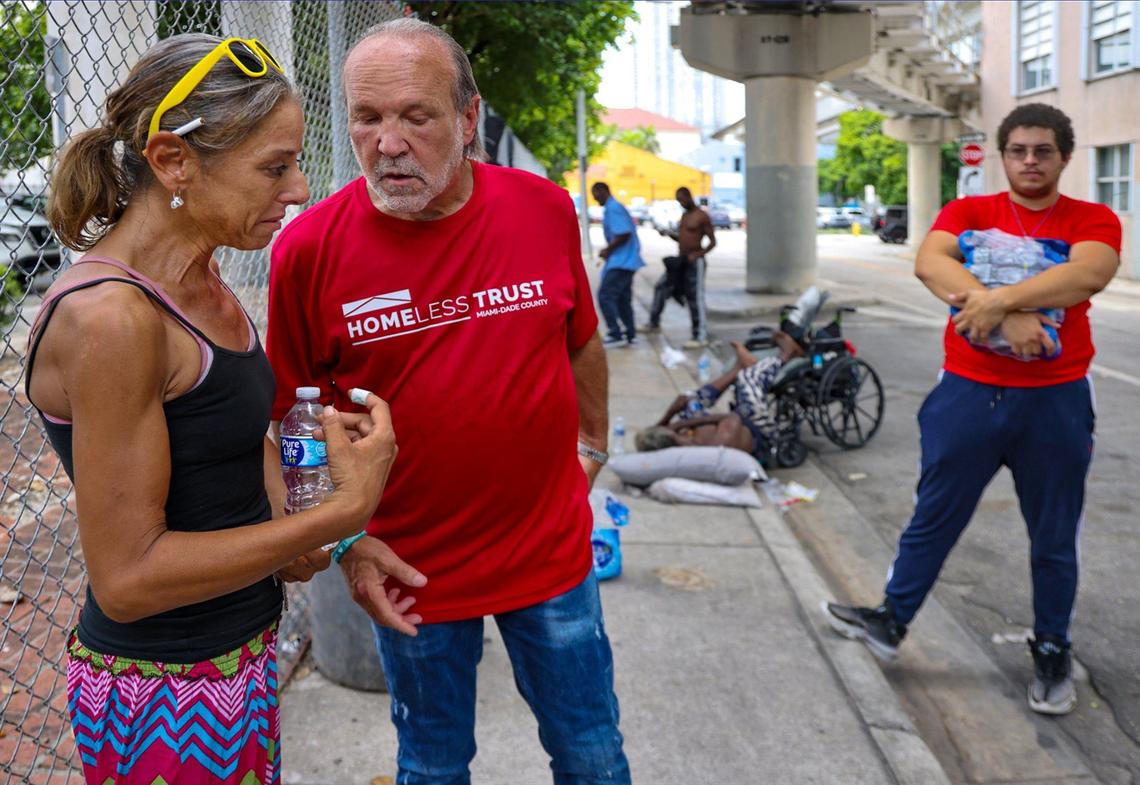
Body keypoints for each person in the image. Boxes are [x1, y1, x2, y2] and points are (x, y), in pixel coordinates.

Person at [265, 19, 630, 784]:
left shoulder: (542, 209)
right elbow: (290, 419)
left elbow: (582, 339)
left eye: (415, 116)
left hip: (551, 556)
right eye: (367, 117)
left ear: (468, 120)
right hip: (412, 569)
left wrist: (592, 446)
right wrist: (343, 544)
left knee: (592, 752)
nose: (388, 142)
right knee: (431, 765)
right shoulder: (308, 251)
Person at [29, 34, 397, 784]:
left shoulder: (208, 287)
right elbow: (127, 579)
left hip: (239, 661)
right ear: (173, 161)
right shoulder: (113, 317)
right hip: (163, 693)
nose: (298, 189)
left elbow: (281, 541)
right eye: (274, 166)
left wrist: (339, 527)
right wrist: (342, 509)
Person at [823, 103, 1121, 716]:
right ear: (1004, 155)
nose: (1030, 161)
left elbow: (1087, 275)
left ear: (1065, 156)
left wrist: (994, 300)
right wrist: (1007, 313)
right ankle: (890, 620)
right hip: (966, 391)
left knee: (1053, 535)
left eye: (1043, 150)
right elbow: (931, 263)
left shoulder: (1092, 218)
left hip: (1055, 399)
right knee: (933, 516)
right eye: (1019, 150)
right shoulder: (969, 213)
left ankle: (1052, 647)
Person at [636, 335, 803, 462]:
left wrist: (669, 415)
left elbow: (659, 432)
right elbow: (732, 418)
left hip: (734, 422)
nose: (670, 426)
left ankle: (739, 366)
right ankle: (787, 354)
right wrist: (681, 423)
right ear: (672, 437)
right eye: (668, 428)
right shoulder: (716, 444)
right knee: (747, 380)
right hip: (756, 427)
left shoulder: (680, 441)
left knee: (691, 401)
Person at [642, 186, 716, 347]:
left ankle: (700, 335)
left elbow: (712, 242)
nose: (681, 203)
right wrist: (668, 234)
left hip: (695, 262)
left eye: (682, 199)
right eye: (678, 201)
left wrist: (697, 254)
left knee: (694, 297)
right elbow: (683, 238)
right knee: (661, 287)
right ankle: (653, 322)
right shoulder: (684, 216)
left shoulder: (701, 216)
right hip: (680, 260)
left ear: (689, 197)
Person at [592, 181, 644, 348]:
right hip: (625, 261)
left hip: (622, 261)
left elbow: (623, 234)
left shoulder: (613, 208)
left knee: (605, 296)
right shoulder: (613, 207)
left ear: (603, 191)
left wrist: (608, 249)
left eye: (596, 194)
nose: (595, 198)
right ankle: (630, 334)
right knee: (622, 299)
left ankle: (616, 333)